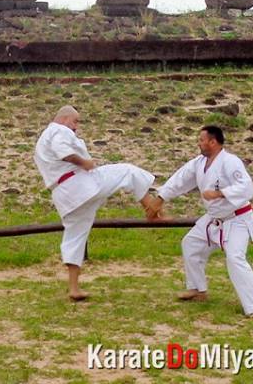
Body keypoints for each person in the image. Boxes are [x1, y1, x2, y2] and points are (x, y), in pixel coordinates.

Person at [34, 105, 163, 300]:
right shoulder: (59, 130)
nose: (77, 126)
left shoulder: (43, 139)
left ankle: (74, 288)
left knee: (74, 237)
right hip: (81, 184)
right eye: (75, 121)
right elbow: (64, 151)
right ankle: (151, 209)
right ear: (64, 118)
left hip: (65, 195)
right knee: (127, 171)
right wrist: (83, 162)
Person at [153, 125, 253, 318]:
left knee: (235, 258)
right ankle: (198, 290)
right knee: (191, 244)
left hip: (237, 217)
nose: (199, 143)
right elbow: (180, 179)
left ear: (213, 142)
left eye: (201, 140)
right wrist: (160, 198)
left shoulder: (230, 162)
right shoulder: (200, 163)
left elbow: (247, 188)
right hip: (215, 218)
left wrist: (219, 192)